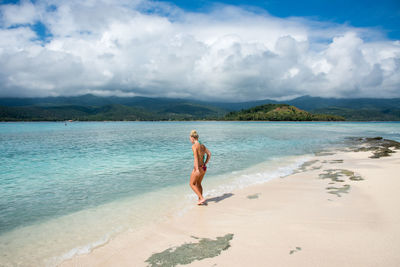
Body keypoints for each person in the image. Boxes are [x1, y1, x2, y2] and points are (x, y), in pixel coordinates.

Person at [189, 130, 211, 205]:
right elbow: (209, 154)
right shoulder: (202, 145)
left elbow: (195, 158)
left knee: (191, 184)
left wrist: (197, 169)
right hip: (204, 168)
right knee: (198, 183)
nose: (190, 140)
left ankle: (201, 198)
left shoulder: (194, 146)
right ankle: (199, 200)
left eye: (190, 138)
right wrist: (205, 163)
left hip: (198, 168)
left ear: (192, 137)